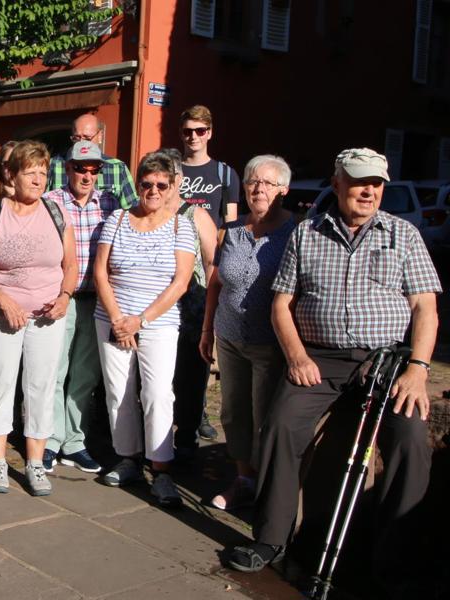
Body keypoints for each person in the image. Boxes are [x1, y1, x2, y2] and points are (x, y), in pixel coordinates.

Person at [224, 149, 440, 594]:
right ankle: (271, 539)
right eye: (359, 181)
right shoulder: (307, 233)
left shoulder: (404, 234)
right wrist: (298, 356)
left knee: (411, 438)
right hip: (318, 357)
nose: (369, 191)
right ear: (337, 182)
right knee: (281, 424)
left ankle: (394, 558)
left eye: (377, 184)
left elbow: (425, 308)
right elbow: (282, 303)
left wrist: (418, 368)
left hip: (387, 360)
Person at [0, 140, 77, 497]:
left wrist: (65, 296)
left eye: (43, 172)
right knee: (1, 385)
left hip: (48, 315)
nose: (39, 179)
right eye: (31, 172)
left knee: (41, 389)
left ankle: (35, 463)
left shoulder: (57, 212)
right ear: (12, 175)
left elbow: (71, 265)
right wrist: (3, 300)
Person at [94, 150, 195, 508]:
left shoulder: (183, 225)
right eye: (146, 183)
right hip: (112, 317)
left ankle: (162, 469)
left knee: (156, 394)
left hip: (159, 322)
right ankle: (128, 458)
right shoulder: (118, 218)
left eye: (160, 184)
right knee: (118, 393)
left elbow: (180, 282)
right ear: (137, 185)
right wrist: (120, 318)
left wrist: (141, 320)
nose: (153, 190)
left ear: (171, 188)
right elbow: (101, 273)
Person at [199, 155, 295, 511]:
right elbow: (215, 283)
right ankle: (243, 478)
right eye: (253, 181)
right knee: (234, 413)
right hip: (229, 337)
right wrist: (207, 330)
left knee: (266, 417)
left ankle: (271, 488)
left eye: (268, 183)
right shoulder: (233, 231)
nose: (258, 188)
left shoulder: (296, 233)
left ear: (283, 189)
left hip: (270, 344)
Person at [41, 140, 135, 474]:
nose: (87, 175)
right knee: (54, 371)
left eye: (94, 169)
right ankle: (50, 441)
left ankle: (75, 443)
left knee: (85, 375)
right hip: (59, 298)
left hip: (96, 301)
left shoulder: (110, 203)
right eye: (81, 168)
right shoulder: (50, 201)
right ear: (67, 169)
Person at [176, 105, 239, 445]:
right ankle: (180, 412)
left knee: (199, 349)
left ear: (210, 133)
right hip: (171, 267)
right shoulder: (172, 169)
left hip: (206, 267)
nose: (194, 137)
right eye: (188, 131)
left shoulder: (225, 174)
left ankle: (197, 412)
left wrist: (219, 272)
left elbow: (229, 225)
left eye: (200, 131)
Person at [161, 148, 218, 463]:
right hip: (156, 311)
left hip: (191, 312)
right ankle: (155, 441)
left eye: (169, 178)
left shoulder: (195, 215)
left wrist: (210, 316)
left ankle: (185, 441)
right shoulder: (146, 213)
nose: (163, 186)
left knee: (189, 381)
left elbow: (213, 265)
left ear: (179, 180)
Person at [45, 114, 136, 199]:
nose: (82, 143)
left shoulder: (117, 168)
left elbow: (132, 209)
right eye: (77, 138)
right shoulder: (54, 164)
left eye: (87, 138)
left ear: (100, 136)